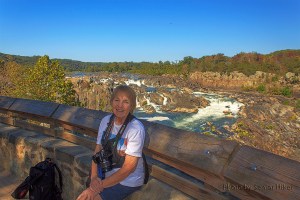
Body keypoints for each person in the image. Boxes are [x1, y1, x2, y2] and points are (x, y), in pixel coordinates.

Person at [77, 85, 146, 200]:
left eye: (125, 102)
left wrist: (97, 187)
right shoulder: (106, 121)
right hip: (106, 174)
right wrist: (94, 177)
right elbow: (97, 152)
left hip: (128, 180)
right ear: (111, 101)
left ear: (132, 106)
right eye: (117, 100)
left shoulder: (136, 128)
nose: (120, 105)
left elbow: (129, 168)